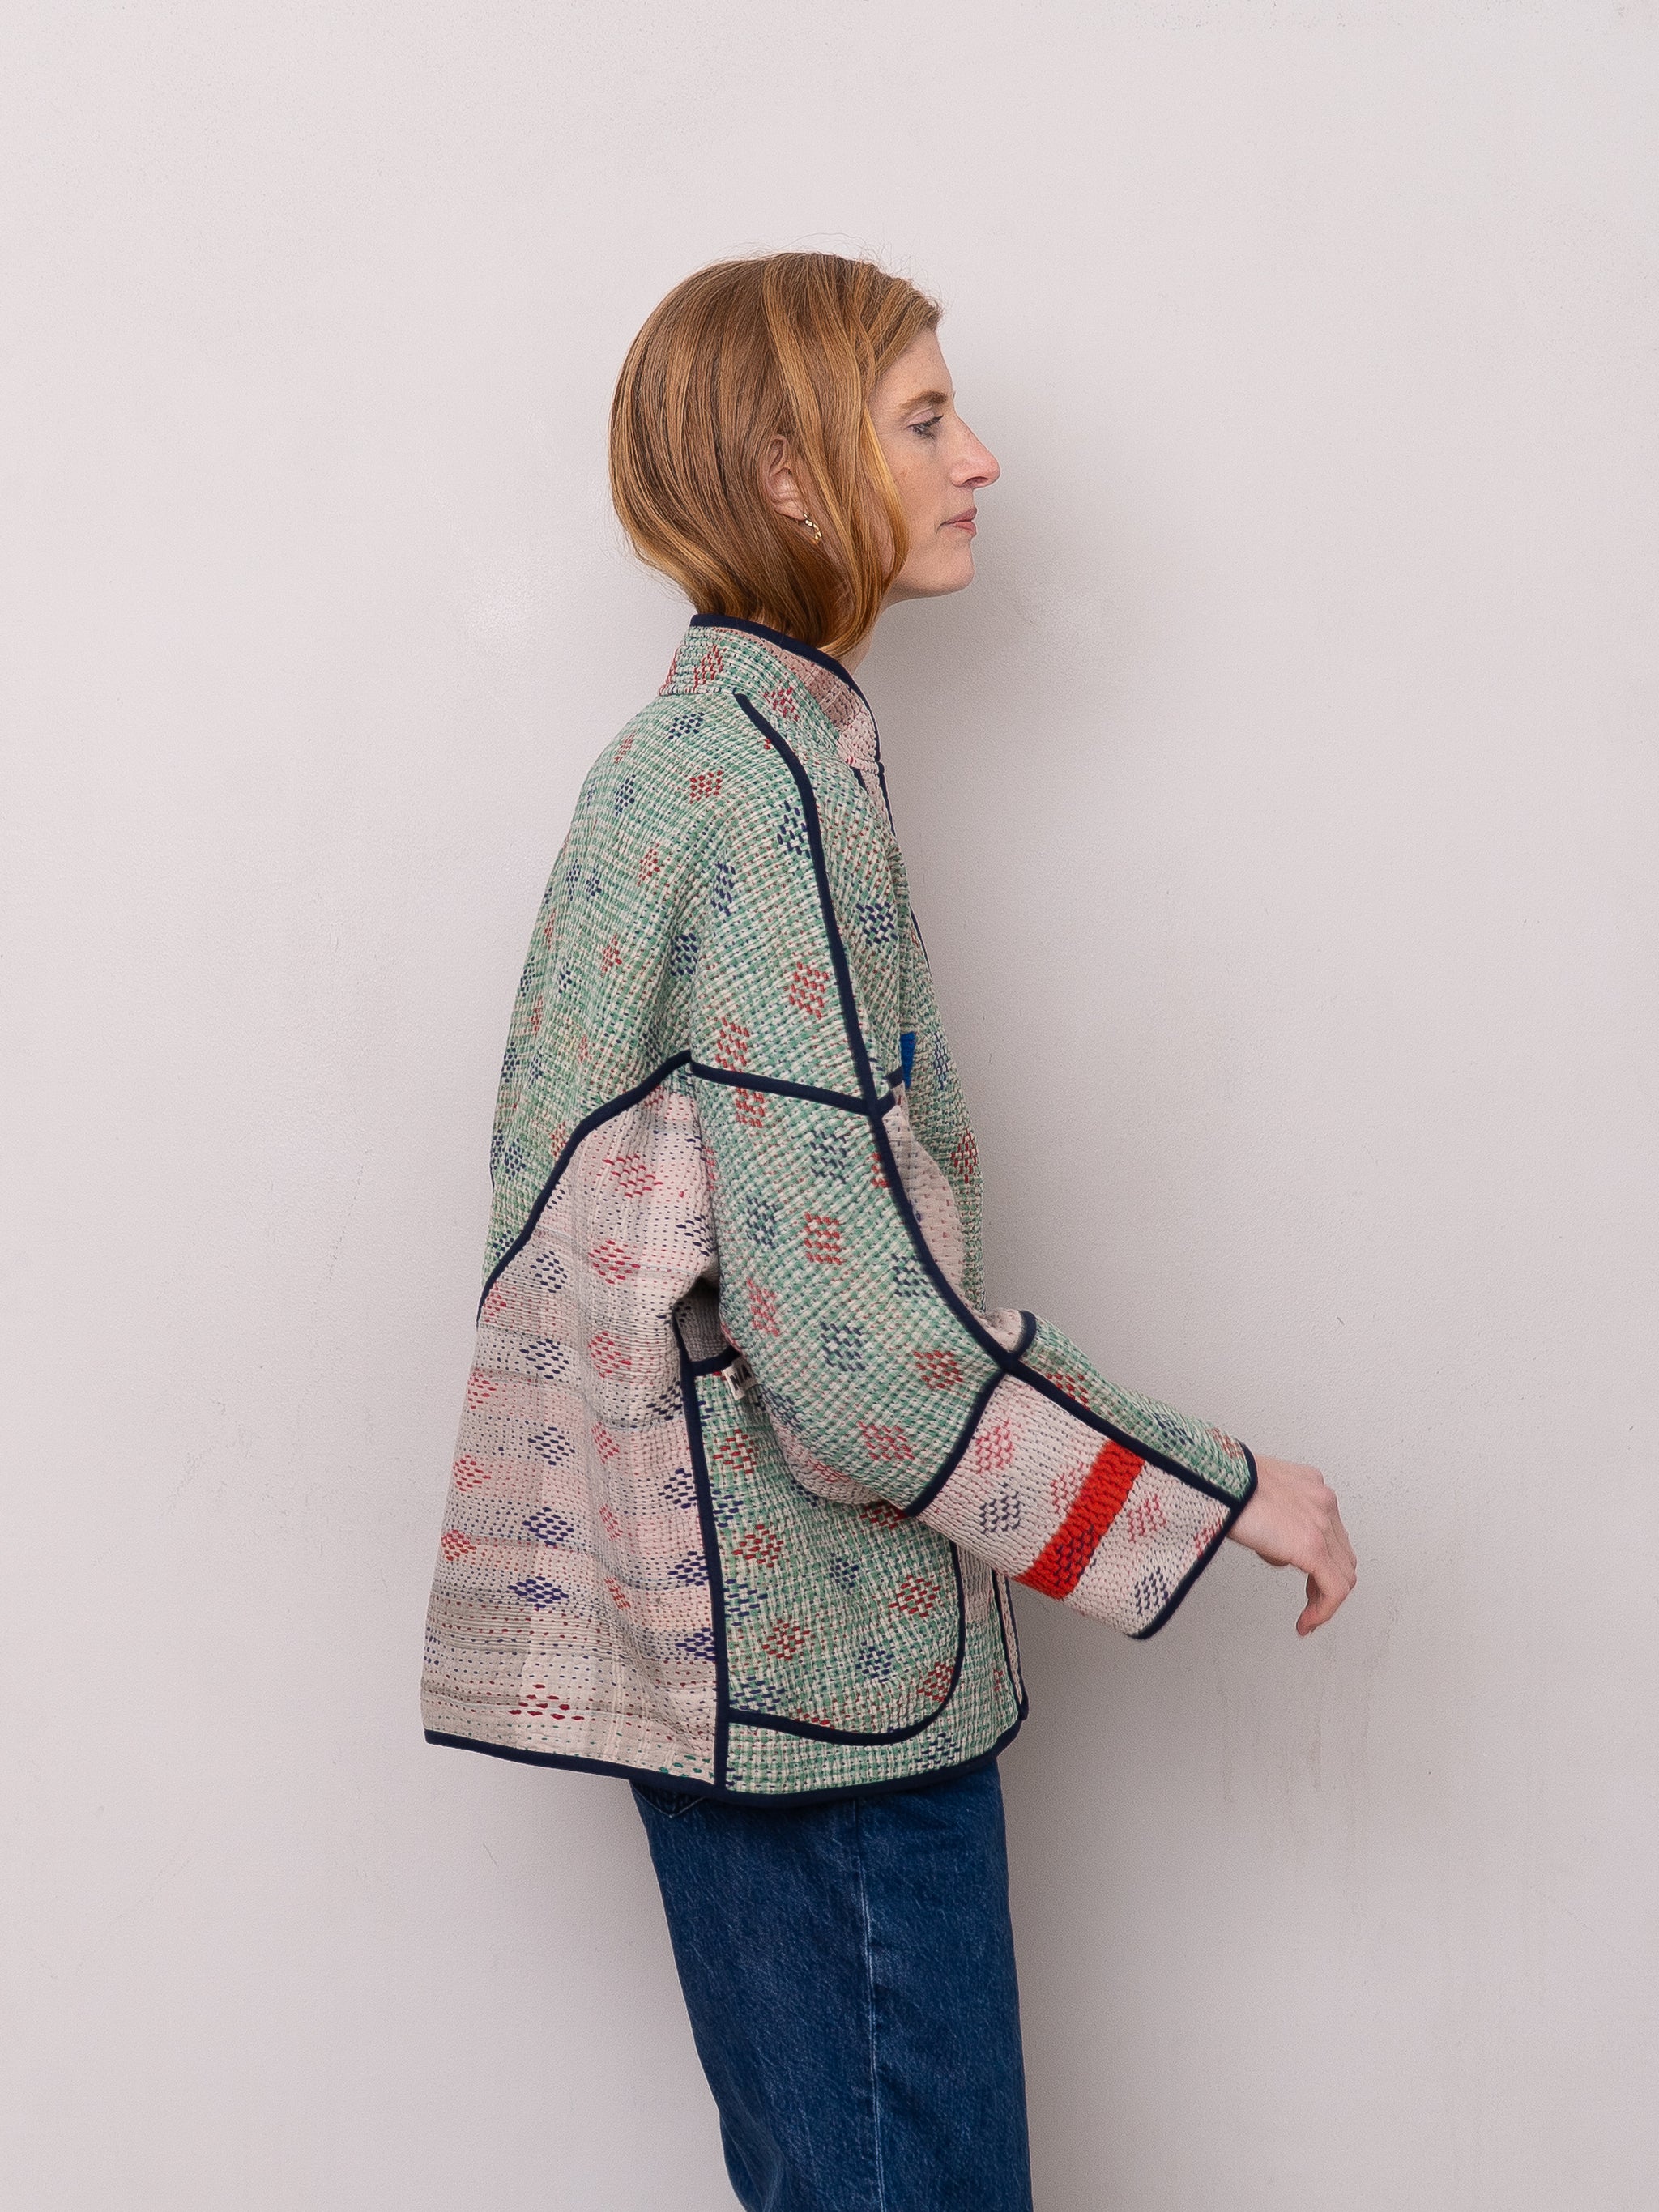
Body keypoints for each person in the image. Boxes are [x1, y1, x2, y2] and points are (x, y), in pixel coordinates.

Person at [420, 252, 1357, 2212]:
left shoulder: (695, 763)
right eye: (924, 420)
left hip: (752, 1675)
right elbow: (856, 1352)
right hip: (823, 1691)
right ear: (788, 476)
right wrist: (1220, 1490)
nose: (979, 458)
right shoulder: (762, 798)